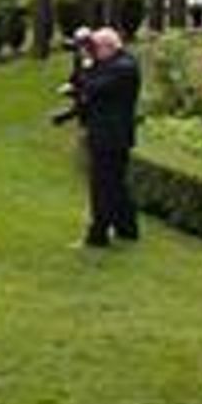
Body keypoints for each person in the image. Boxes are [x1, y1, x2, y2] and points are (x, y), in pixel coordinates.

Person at [60, 25, 142, 245]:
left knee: (102, 186)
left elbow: (92, 87)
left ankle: (98, 235)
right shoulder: (111, 63)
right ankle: (128, 229)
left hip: (111, 136)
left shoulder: (123, 67)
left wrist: (85, 62)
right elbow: (80, 83)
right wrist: (81, 59)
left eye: (95, 47)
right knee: (115, 185)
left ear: (108, 46)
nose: (93, 52)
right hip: (107, 134)